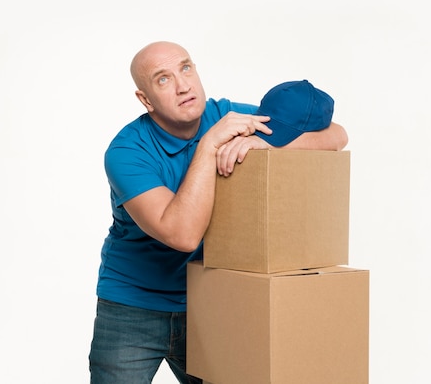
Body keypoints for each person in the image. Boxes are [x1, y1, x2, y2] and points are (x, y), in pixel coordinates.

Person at [89, 41, 348, 384]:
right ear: (145, 99)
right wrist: (210, 145)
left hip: (210, 300)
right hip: (133, 304)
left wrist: (266, 143)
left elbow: (336, 135)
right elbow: (183, 234)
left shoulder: (228, 114)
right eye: (163, 79)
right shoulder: (126, 151)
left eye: (185, 68)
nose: (183, 85)